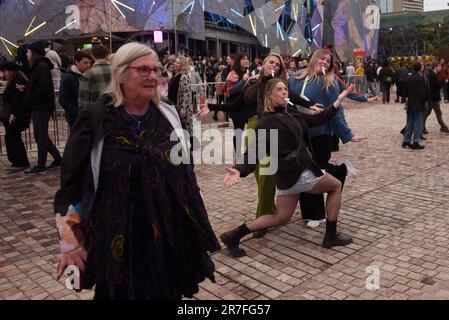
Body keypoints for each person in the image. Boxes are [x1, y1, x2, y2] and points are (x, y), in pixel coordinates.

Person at [54, 42, 220, 300]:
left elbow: (184, 172)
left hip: (166, 233)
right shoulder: (96, 117)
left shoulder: (168, 113)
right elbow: (71, 186)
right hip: (117, 237)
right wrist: (70, 241)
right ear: (120, 74)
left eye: (156, 70)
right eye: (143, 70)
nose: (152, 76)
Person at [219, 78, 354, 258]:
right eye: (280, 89)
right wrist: (240, 169)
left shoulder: (290, 113)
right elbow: (255, 151)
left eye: (285, 89)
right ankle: (330, 236)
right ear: (270, 95)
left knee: (281, 218)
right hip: (300, 173)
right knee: (335, 186)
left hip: (288, 177)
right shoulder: (267, 122)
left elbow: (318, 118)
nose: (285, 92)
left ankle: (233, 235)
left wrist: (339, 100)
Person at [198, 53, 319, 238]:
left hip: (272, 133)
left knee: (268, 178)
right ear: (263, 64)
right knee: (261, 178)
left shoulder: (279, 87)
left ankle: (262, 219)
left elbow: (295, 98)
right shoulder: (253, 84)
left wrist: (312, 106)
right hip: (254, 130)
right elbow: (236, 105)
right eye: (271, 62)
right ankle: (267, 213)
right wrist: (212, 107)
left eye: (277, 64)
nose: (274, 66)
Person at [288, 49, 368, 226]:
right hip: (299, 132)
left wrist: (347, 135)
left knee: (315, 172)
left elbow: (336, 111)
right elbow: (284, 97)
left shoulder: (329, 82)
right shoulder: (294, 78)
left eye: (328, 61)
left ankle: (318, 215)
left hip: (321, 133)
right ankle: (313, 210)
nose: (325, 62)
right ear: (314, 58)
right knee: (304, 171)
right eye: (322, 58)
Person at [22, 41, 62, 175]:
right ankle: (57, 158)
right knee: (40, 134)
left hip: (42, 105)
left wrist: (31, 95)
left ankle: (41, 164)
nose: (27, 54)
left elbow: (43, 88)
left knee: (40, 135)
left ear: (34, 53)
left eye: (28, 51)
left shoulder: (41, 66)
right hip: (40, 105)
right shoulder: (38, 66)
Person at [0, 61, 31, 172]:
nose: (3, 74)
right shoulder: (16, 79)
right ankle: (17, 161)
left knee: (13, 138)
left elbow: (17, 99)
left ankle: (20, 162)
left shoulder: (18, 80)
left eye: (4, 71)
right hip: (14, 114)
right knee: (11, 137)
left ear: (9, 70)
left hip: (16, 115)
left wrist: (13, 114)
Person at [58, 50, 92, 131]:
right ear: (77, 62)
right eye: (85, 63)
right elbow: (63, 99)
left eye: (89, 63)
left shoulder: (88, 75)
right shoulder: (68, 77)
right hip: (76, 117)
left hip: (88, 115)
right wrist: (75, 112)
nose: (88, 65)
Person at [168, 55, 194, 141]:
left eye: (178, 63)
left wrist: (183, 109)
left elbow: (186, 94)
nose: (175, 64)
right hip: (173, 105)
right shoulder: (175, 75)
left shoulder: (184, 76)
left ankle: (188, 149)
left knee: (184, 130)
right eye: (175, 62)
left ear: (182, 65)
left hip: (181, 107)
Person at [78, 45, 112, 109]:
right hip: (115, 112)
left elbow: (83, 101)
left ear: (92, 56)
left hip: (96, 112)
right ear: (107, 55)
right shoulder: (116, 71)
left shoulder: (87, 74)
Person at [402, 62, 427, 150]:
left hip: (410, 103)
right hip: (419, 103)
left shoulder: (408, 78)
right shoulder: (420, 78)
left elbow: (404, 91)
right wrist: (425, 100)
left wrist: (403, 99)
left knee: (410, 122)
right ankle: (415, 141)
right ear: (420, 68)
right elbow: (422, 92)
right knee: (418, 123)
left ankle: (406, 141)